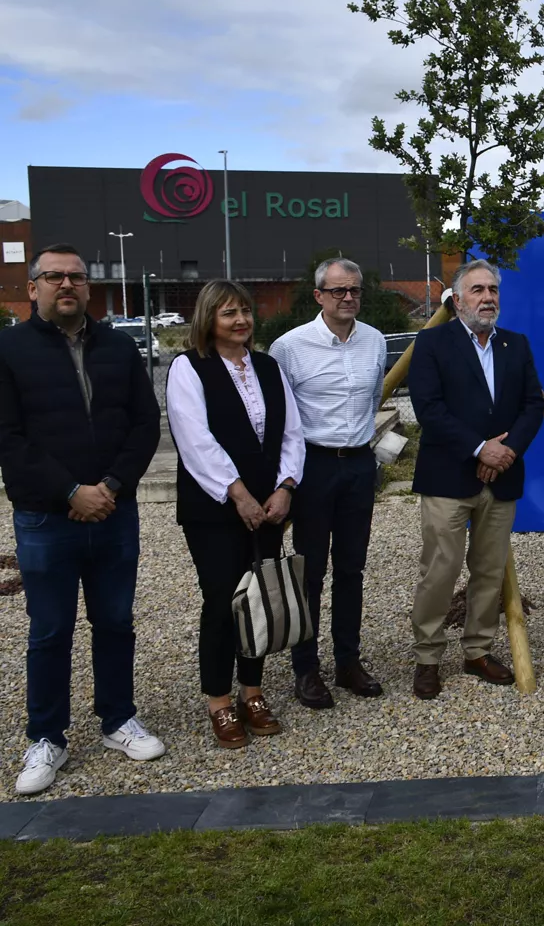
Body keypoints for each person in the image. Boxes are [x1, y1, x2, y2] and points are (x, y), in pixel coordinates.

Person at [0, 243, 164, 794]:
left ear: (88, 287)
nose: (65, 285)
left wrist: (111, 487)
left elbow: (144, 424)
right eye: (54, 277)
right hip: (46, 518)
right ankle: (47, 737)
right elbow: (10, 439)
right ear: (34, 287)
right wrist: (71, 490)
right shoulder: (9, 350)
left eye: (75, 277)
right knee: (50, 631)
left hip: (114, 512)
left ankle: (118, 719)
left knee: (115, 623)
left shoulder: (118, 347)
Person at [166, 280, 305, 748]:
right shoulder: (189, 368)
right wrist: (238, 494)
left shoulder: (267, 367)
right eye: (229, 313)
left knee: (260, 600)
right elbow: (195, 440)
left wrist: (286, 487)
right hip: (214, 509)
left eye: (245, 311)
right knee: (223, 602)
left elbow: (291, 433)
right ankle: (219, 703)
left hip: (269, 507)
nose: (240, 320)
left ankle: (253, 692)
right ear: (209, 319)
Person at [406, 261, 543, 699]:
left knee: (488, 571)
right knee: (440, 571)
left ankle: (478, 651)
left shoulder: (514, 345)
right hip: (448, 478)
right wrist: (480, 448)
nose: (488, 298)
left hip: (501, 478)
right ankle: (428, 657)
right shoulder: (431, 343)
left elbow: (531, 406)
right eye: (478, 290)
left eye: (493, 290)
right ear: (457, 298)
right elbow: (429, 410)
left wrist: (505, 453)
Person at [268, 258, 386, 709]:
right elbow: (279, 417)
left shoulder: (374, 342)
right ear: (318, 295)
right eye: (337, 290)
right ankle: (306, 668)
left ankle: (348, 661)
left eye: (354, 290)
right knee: (310, 571)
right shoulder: (290, 347)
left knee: (352, 568)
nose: (348, 297)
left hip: (358, 465)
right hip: (313, 466)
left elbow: (374, 397)